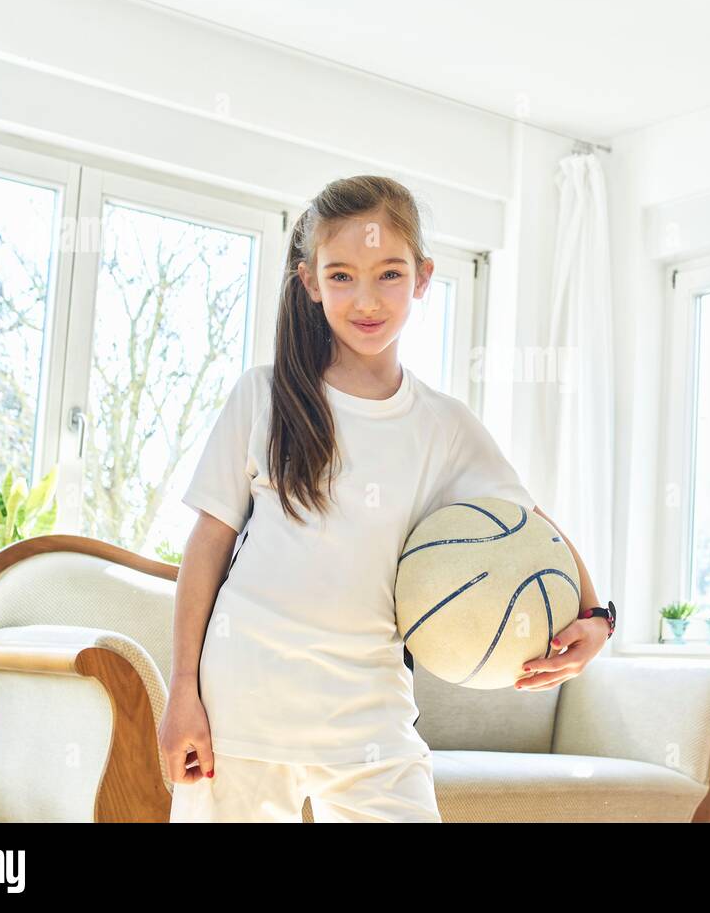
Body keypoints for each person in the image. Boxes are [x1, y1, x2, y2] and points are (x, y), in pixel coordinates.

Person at [159, 175, 614, 822]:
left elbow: (530, 524)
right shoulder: (262, 396)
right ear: (310, 281)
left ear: (424, 278)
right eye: (341, 275)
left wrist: (596, 617)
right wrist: (183, 691)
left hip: (370, 712)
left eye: (390, 274)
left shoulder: (444, 425)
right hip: (245, 702)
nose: (366, 299)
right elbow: (208, 545)